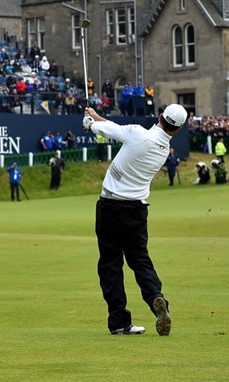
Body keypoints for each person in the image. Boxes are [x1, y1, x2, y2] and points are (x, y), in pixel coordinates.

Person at [82, 103, 184, 336]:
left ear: (160, 116)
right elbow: (118, 129)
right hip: (136, 210)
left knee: (110, 264)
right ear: (177, 130)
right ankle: (156, 298)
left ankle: (119, 321)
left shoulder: (138, 133)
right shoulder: (161, 149)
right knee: (139, 259)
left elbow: (110, 131)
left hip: (110, 206)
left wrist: (91, 124)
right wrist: (96, 117)